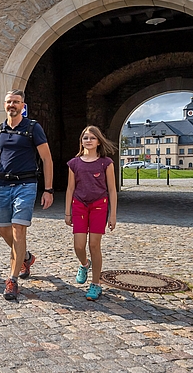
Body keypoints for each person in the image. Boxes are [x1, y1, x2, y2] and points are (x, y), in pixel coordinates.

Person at [0, 90, 54, 300]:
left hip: (26, 184)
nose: (12, 105)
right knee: (3, 231)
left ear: (22, 105)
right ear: (5, 104)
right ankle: (26, 257)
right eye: (9, 101)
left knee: (18, 230)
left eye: (16, 102)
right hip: (3, 185)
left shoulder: (33, 128)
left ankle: (12, 280)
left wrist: (48, 189)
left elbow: (47, 159)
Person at [65, 125, 117, 301]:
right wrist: (67, 212)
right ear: (81, 141)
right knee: (79, 246)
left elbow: (112, 190)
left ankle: (95, 284)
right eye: (85, 137)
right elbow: (70, 188)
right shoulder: (74, 163)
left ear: (98, 141)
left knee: (94, 245)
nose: (88, 140)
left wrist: (113, 215)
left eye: (92, 138)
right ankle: (84, 264)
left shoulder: (106, 163)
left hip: (99, 206)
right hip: (79, 205)